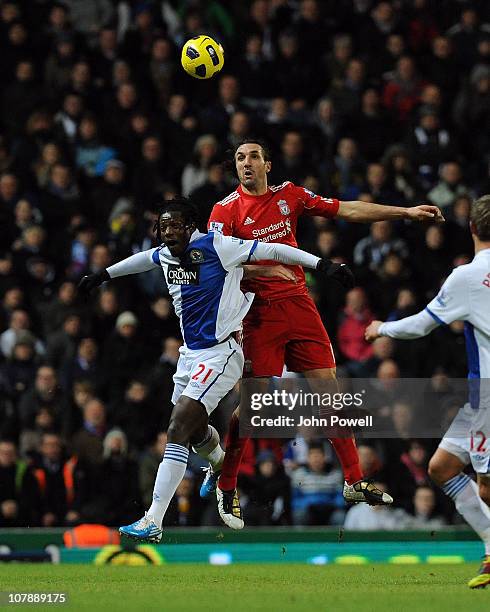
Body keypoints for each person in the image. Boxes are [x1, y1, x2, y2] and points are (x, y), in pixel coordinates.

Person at [77, 197, 352, 543]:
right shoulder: (163, 253)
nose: (169, 231)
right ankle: (219, 461)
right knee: (193, 432)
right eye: (163, 226)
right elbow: (141, 261)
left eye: (175, 225)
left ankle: (154, 519)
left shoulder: (217, 246)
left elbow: (277, 250)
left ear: (191, 225)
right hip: (189, 354)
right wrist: (102, 275)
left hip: (221, 353)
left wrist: (322, 264)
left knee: (177, 426)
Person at [207, 138, 443, 529]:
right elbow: (216, 265)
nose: (245, 163)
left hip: (300, 307)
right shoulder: (225, 211)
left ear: (267, 163)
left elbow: (347, 208)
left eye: (252, 157)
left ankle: (353, 480)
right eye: (239, 158)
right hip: (258, 314)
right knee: (253, 409)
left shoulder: (290, 196)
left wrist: (404, 212)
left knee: (332, 392)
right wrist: (263, 271)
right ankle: (226, 484)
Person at [365, 194, 490, 589]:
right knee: (442, 467)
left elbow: (421, 325)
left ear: (471, 229)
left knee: (487, 487)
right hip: (476, 397)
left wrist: (382, 327)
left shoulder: (467, 276)